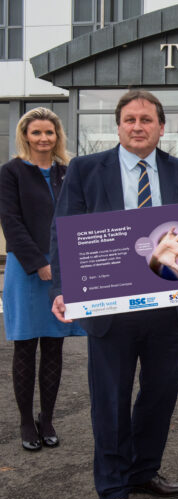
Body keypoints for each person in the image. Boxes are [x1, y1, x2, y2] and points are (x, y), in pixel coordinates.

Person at [50, 90, 178, 499]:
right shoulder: (85, 169)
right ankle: (114, 489)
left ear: (161, 127)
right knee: (110, 401)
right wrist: (61, 288)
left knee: (160, 396)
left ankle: (143, 471)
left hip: (166, 308)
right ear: (118, 126)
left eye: (146, 119)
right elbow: (64, 232)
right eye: (130, 119)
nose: (138, 126)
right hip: (109, 308)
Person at [0, 108, 85, 452]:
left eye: (49, 132)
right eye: (36, 133)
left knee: (54, 344)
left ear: (57, 136)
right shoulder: (11, 172)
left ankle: (46, 418)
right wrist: (39, 263)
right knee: (25, 346)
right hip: (26, 269)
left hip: (64, 268)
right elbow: (11, 222)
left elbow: (86, 213)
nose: (43, 138)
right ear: (25, 136)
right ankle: (25, 421)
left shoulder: (69, 172)